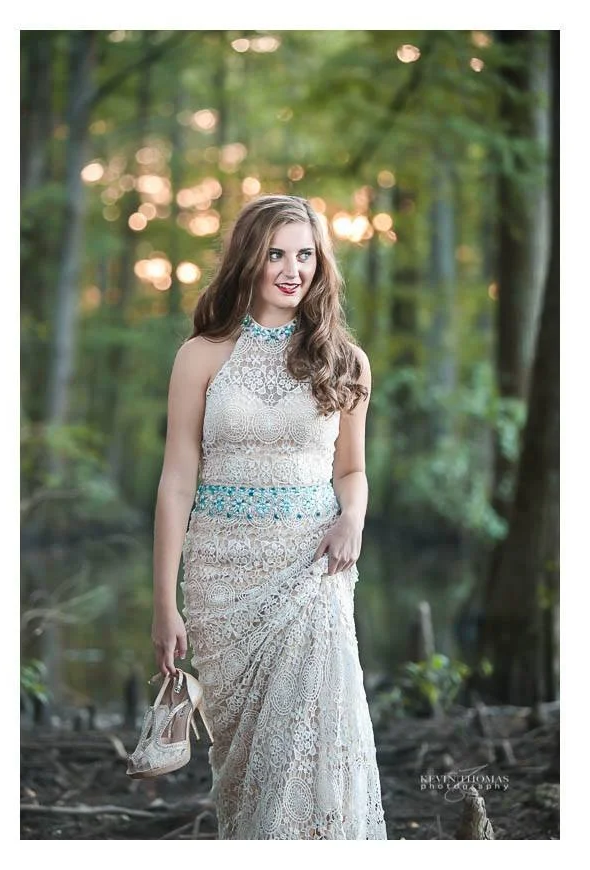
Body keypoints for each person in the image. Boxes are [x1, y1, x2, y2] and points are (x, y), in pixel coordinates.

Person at [151, 194, 387, 839]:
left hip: (312, 567)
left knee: (310, 742)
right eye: (276, 254)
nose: (292, 269)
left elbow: (352, 471)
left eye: (305, 254)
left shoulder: (346, 362)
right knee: (246, 765)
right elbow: (176, 481)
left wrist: (352, 518)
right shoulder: (201, 355)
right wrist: (165, 602)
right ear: (248, 260)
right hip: (220, 575)